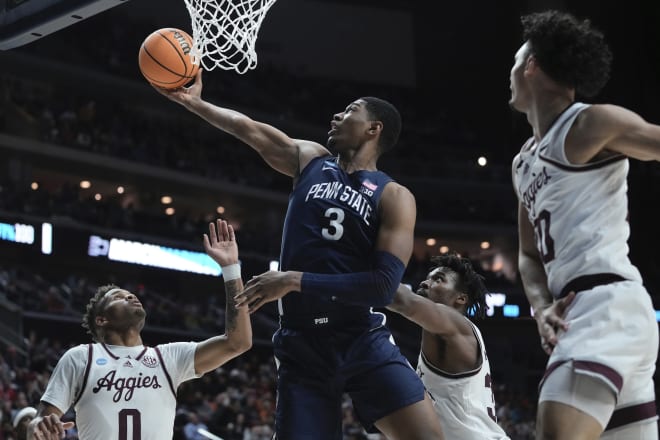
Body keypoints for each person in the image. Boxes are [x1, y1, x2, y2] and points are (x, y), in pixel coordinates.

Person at [158, 74, 444, 439]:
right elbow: (248, 129)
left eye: (349, 111)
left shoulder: (394, 196)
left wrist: (293, 280)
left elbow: (383, 287)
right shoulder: (310, 159)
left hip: (360, 337)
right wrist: (195, 103)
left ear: (374, 128)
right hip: (302, 347)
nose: (336, 117)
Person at [509, 10, 660, 440]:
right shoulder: (522, 162)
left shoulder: (589, 123)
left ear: (531, 65)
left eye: (515, 61)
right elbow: (526, 254)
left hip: (604, 305)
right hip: (587, 312)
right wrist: (539, 308)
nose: (511, 72)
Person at [27, 219, 251, 440]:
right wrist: (39, 426)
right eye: (118, 297)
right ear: (101, 320)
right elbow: (39, 421)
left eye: (130, 294)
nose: (131, 296)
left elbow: (238, 342)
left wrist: (231, 269)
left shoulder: (168, 357)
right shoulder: (81, 358)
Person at [387, 253, 510, 439]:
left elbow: (402, 300)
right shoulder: (441, 334)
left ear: (460, 298)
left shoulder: (458, 326)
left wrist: (354, 264)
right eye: (427, 278)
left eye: (438, 279)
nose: (424, 283)